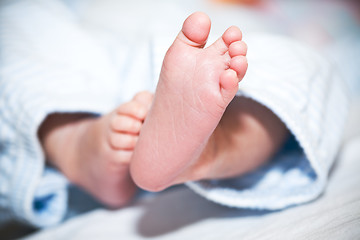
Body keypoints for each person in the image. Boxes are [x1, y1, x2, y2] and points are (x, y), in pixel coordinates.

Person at [0, 0, 349, 228]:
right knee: (23, 18)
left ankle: (206, 147)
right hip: (91, 65)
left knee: (307, 65)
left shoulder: (285, 17)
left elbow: (340, 53)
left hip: (219, 88)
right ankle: (76, 143)